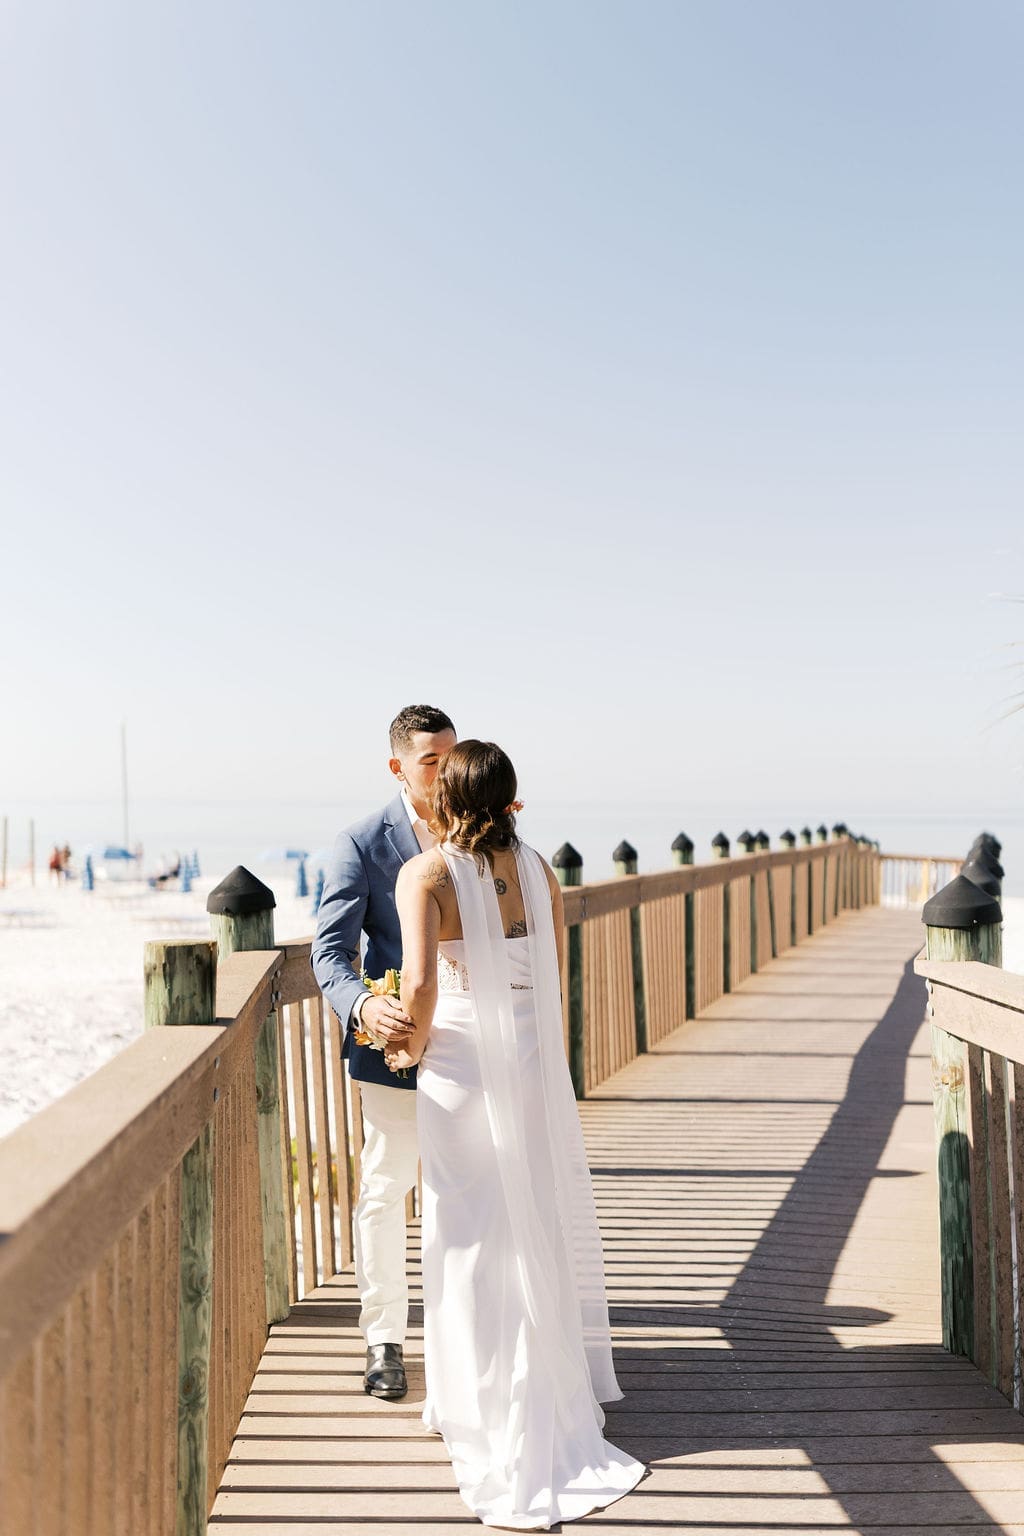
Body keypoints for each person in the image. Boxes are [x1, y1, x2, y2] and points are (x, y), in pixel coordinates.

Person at [386, 740, 645, 1529]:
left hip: (461, 1074)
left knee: (465, 1236)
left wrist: (404, 1046)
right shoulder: (538, 870)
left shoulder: (427, 875)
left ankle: (474, 1405)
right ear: (508, 798)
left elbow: (423, 985)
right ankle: (536, 1391)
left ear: (445, 797)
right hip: (530, 1072)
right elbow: (552, 983)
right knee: (526, 1227)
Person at [311, 705, 457, 1400]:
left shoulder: (483, 828)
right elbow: (331, 954)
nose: (446, 770)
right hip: (393, 1045)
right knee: (387, 1186)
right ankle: (384, 1340)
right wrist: (366, 1005)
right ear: (398, 765)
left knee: (462, 1190)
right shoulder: (360, 842)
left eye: (452, 756)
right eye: (432, 760)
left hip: (470, 1047)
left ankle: (461, 1333)